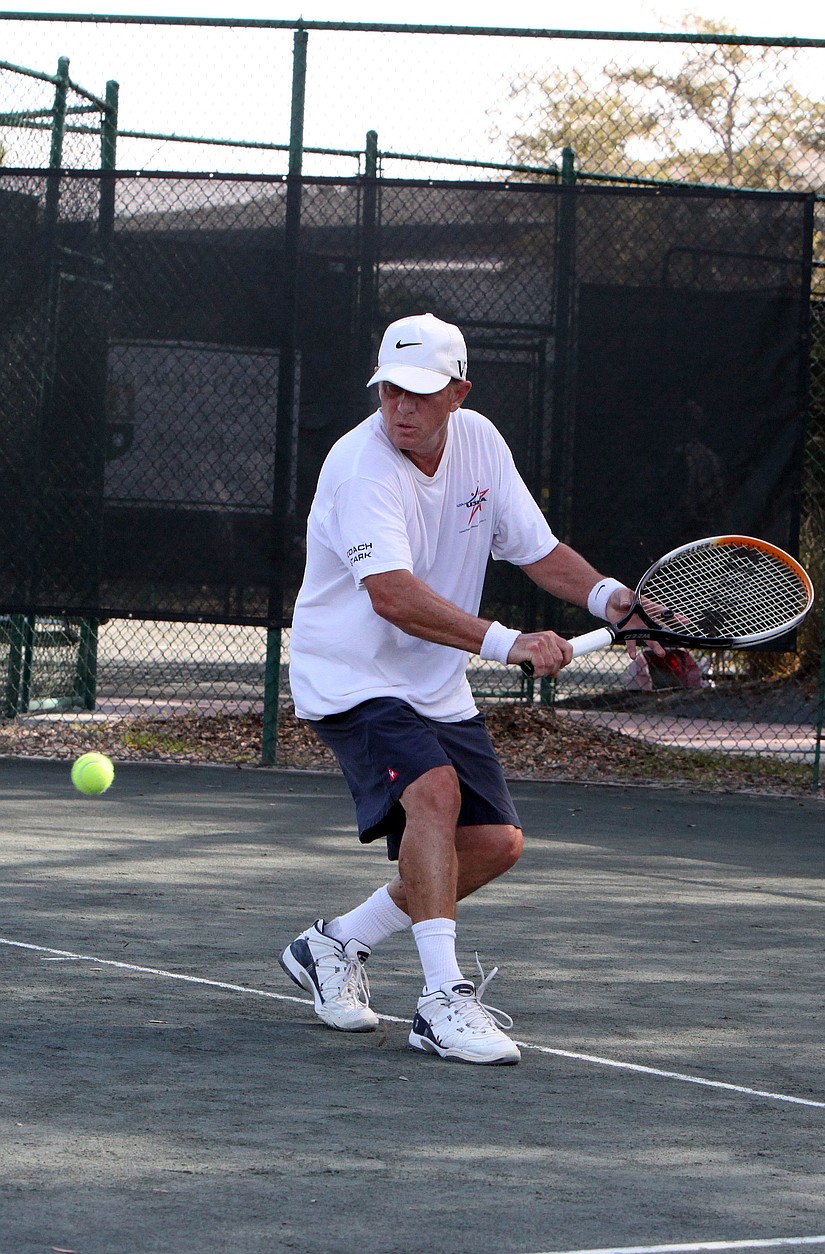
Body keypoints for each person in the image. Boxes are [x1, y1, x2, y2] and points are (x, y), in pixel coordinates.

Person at [280, 312, 639, 1066]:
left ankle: (337, 942)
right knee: (434, 793)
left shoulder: (481, 443)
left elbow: (536, 550)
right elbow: (392, 595)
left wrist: (616, 601)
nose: (401, 408)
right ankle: (441, 1000)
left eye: (420, 393)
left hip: (432, 679)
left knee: (495, 843)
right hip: (351, 675)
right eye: (390, 392)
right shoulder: (360, 466)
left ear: (457, 393)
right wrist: (510, 643)